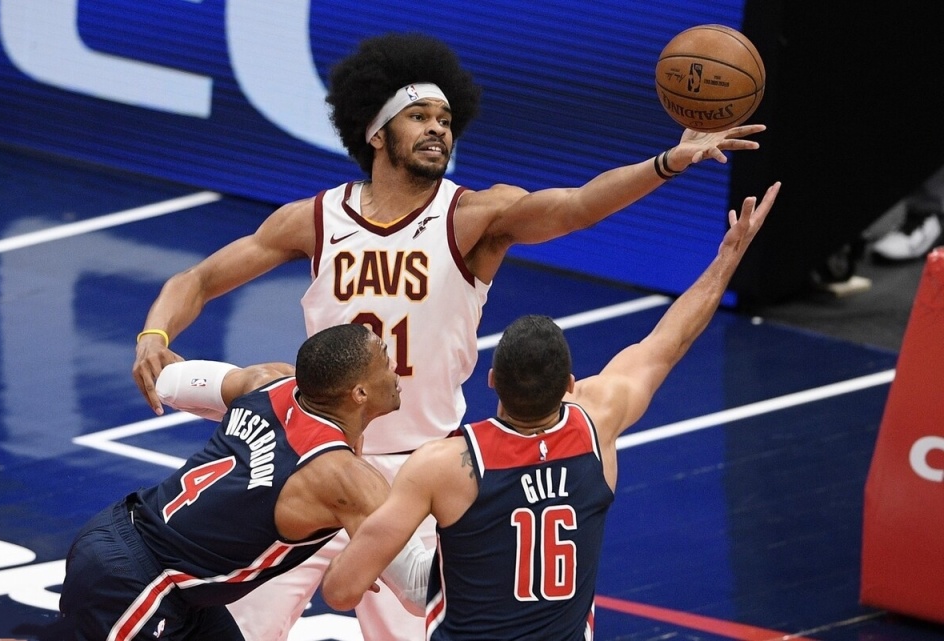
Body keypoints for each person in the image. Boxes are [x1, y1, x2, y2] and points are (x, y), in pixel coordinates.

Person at [131, 31, 767, 641]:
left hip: (414, 478)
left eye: (445, 118)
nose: (438, 127)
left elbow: (576, 207)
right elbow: (198, 279)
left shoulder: (473, 217)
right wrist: (156, 332)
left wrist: (666, 163)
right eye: (419, 117)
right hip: (312, 458)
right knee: (237, 630)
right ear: (376, 133)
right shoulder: (314, 219)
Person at [321, 182, 781, 640]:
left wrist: (366, 519)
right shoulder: (597, 424)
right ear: (569, 385)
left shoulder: (442, 465)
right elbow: (669, 341)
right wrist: (728, 257)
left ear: (492, 379)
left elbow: (342, 591)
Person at [60, 324, 431, 640]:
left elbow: (170, 384)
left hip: (140, 547)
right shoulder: (347, 480)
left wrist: (154, 342)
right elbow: (417, 588)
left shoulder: (267, 382)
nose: (395, 367)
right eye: (385, 359)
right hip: (136, 585)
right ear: (359, 394)